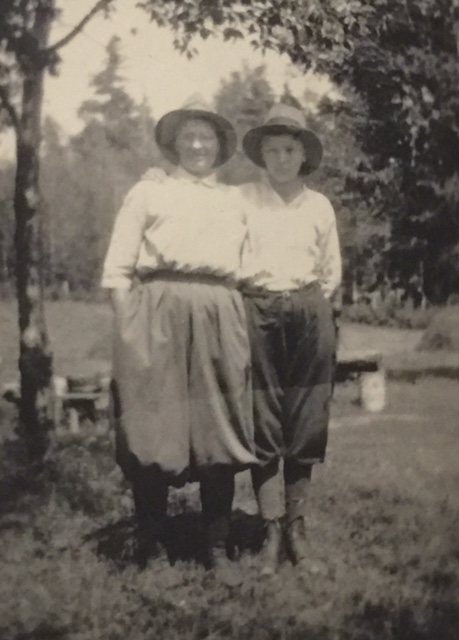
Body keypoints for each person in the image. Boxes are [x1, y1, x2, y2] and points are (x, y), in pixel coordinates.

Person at [101, 97, 256, 569]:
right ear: (174, 143)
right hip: (157, 311)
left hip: (219, 309)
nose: (196, 144)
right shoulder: (148, 192)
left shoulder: (237, 199)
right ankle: (148, 544)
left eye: (206, 136)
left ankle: (215, 544)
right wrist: (131, 332)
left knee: (218, 430)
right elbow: (117, 269)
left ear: (219, 145)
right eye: (188, 135)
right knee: (152, 427)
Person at [239, 103, 342, 574]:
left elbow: (331, 271)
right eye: (273, 149)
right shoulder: (241, 199)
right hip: (256, 307)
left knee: (306, 418)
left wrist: (311, 305)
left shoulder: (318, 206)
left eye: (290, 149)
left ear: (303, 155)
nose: (281, 157)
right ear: (261, 154)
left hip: (308, 307)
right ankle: (270, 529)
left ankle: (297, 530)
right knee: (262, 418)